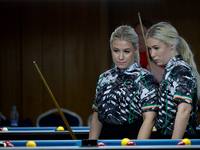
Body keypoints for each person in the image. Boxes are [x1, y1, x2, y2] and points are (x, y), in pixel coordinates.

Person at [89, 25, 159, 139]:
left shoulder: (146, 78)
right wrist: (91, 145)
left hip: (133, 139)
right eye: (116, 51)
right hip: (104, 141)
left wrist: (137, 147)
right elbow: (97, 118)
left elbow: (150, 119)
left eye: (126, 51)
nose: (120, 57)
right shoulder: (104, 78)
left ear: (136, 49)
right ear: (111, 48)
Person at [146, 22, 200, 139]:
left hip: (178, 140)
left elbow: (184, 111)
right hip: (167, 138)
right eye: (149, 49)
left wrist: (174, 145)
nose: (152, 54)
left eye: (156, 48)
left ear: (172, 45)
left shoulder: (180, 69)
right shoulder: (171, 69)